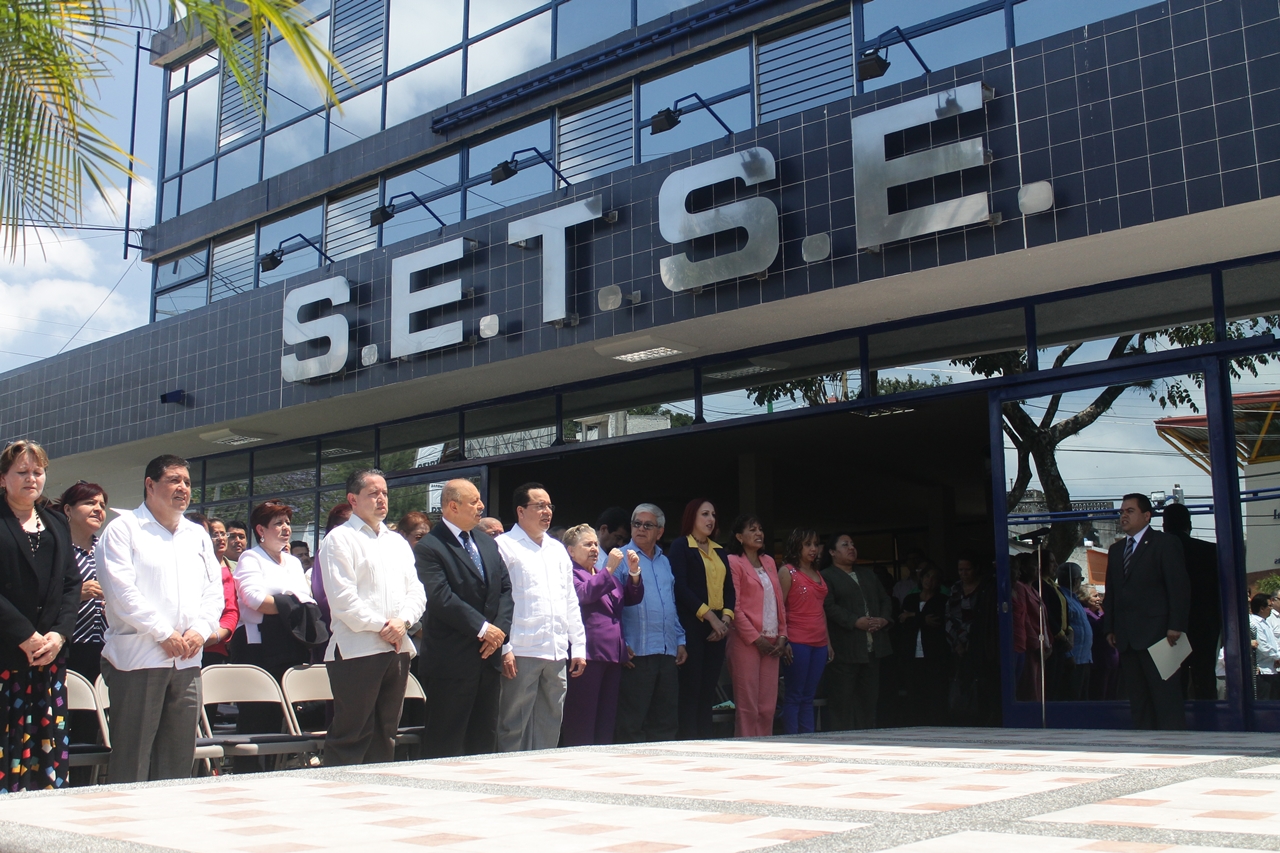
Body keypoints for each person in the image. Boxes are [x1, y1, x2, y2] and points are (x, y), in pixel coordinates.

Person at [97, 454, 224, 783]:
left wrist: (200, 630)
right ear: (150, 485)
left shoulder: (197, 535)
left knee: (178, 758)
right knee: (133, 756)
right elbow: (121, 593)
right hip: (140, 659)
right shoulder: (123, 530)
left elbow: (214, 591)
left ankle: (171, 814)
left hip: (188, 659)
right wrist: (163, 632)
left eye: (187, 482)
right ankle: (125, 813)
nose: (183, 488)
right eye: (174, 480)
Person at [317, 469, 426, 766]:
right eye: (373, 493)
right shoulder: (340, 539)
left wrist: (403, 622)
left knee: (386, 732)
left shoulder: (397, 542)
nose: (382, 499)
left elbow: (416, 591)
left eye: (385, 493)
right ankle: (339, 789)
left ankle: (378, 787)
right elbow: (343, 600)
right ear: (353, 499)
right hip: (358, 649)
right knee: (352, 732)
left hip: (396, 648)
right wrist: (384, 626)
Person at [0, 440, 80, 791]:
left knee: (46, 752)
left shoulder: (56, 521)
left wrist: (59, 635)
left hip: (48, 654)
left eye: (38, 471)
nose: (31, 478)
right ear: (3, 478)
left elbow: (71, 583)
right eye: (22, 472)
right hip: (7, 651)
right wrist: (24, 634)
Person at [415, 479, 513, 757]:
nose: (481, 506)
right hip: (451, 663)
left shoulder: (487, 543)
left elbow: (505, 589)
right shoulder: (430, 547)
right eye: (474, 501)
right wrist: (483, 629)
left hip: (488, 659)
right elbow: (440, 597)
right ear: (453, 506)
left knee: (483, 740)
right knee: (446, 743)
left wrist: (498, 633)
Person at [495, 483, 587, 752]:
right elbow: (497, 600)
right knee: (513, 724)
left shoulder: (557, 549)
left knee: (550, 722)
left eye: (549, 506)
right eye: (540, 506)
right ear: (521, 511)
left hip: (556, 649)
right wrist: (505, 647)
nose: (547, 511)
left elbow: (570, 599)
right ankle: (509, 772)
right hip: (521, 649)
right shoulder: (504, 546)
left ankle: (543, 770)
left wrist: (578, 646)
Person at [232, 500, 322, 760]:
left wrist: (286, 604)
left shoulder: (293, 562)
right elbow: (254, 600)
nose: (286, 528)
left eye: (288, 523)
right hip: (257, 647)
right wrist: (291, 604)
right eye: (278, 523)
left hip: (289, 643)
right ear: (261, 530)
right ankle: (250, 774)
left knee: (286, 717)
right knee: (258, 718)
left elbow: (306, 598)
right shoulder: (251, 557)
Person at [1102, 493, 1190, 730]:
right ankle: (1145, 742)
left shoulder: (1164, 543)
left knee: (1165, 697)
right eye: (1122, 512)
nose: (1124, 516)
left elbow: (1178, 587)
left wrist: (1176, 625)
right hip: (1127, 636)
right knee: (1138, 699)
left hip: (1159, 634)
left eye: (1130, 511)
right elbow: (1112, 591)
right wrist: (1110, 627)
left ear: (1147, 515)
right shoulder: (1117, 549)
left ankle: (1173, 743)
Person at [560, 524, 642, 746]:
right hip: (587, 653)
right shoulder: (570, 573)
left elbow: (629, 598)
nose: (594, 549)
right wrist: (609, 569)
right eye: (587, 544)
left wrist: (634, 572)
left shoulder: (601, 574)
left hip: (613, 654)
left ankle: (602, 758)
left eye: (596, 544)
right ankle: (579, 758)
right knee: (582, 717)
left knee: (606, 718)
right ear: (570, 551)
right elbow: (584, 594)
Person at [614, 503, 687, 743]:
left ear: (660, 531)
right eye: (637, 524)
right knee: (631, 723)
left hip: (666, 651)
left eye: (648, 525)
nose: (641, 529)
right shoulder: (620, 558)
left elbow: (670, 604)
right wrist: (619, 642)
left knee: (665, 722)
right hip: (636, 653)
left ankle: (664, 764)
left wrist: (680, 639)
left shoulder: (664, 562)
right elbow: (610, 606)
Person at [668, 499, 735, 739]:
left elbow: (729, 590)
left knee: (708, 690)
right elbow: (681, 588)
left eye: (713, 515)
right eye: (705, 514)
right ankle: (689, 741)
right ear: (692, 518)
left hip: (718, 627)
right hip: (692, 625)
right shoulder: (680, 546)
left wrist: (724, 620)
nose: (711, 519)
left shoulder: (719, 550)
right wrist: (710, 618)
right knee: (691, 688)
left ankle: (706, 741)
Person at [821, 532, 892, 730]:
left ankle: (867, 737)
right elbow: (828, 606)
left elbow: (885, 599)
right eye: (845, 545)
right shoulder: (826, 576)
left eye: (852, 544)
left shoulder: (868, 575)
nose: (851, 548)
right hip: (845, 648)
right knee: (842, 701)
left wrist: (884, 619)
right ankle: (842, 739)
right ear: (832, 552)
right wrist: (854, 621)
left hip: (872, 648)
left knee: (868, 700)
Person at [725, 515, 786, 738]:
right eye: (752, 530)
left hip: (772, 639)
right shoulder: (733, 561)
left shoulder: (769, 561)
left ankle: (765, 748)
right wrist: (756, 639)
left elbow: (779, 601)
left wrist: (783, 635)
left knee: (768, 707)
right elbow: (734, 606)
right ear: (739, 537)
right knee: (747, 706)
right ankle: (746, 750)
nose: (759, 533)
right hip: (746, 641)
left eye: (760, 529)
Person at [1162, 503, 1220, 700]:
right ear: (1190, 525)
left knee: (1172, 684)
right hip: (1205, 626)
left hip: (1167, 628)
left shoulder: (1156, 553)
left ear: (1164, 526)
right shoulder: (1210, 551)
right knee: (1204, 681)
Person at [777, 528, 829, 734]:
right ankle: (792, 739)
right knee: (794, 695)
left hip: (820, 642)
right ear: (796, 546)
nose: (813, 549)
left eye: (815, 544)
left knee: (809, 696)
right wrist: (784, 640)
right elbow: (779, 608)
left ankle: (809, 739)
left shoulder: (817, 572)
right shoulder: (787, 571)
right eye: (807, 544)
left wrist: (828, 642)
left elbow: (821, 609)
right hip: (797, 640)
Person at [57, 481, 109, 683]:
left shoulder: (107, 550)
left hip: (105, 646)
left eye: (102, 505)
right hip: (66, 644)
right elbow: (38, 595)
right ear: (68, 509)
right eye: (89, 503)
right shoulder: (57, 549)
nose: (98, 509)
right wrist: (76, 594)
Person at [186, 513, 238, 668]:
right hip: (170, 646)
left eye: (223, 534)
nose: (220, 539)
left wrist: (212, 637)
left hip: (211, 650)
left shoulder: (220, 571)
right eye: (215, 534)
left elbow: (230, 611)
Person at [900, 564, 948, 725]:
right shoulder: (910, 599)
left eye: (934, 578)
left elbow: (936, 621)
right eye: (927, 576)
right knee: (914, 693)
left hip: (934, 654)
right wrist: (921, 618)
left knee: (935, 694)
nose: (930, 580)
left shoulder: (942, 600)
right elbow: (903, 622)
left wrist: (912, 616)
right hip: (912, 654)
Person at [312, 502, 353, 633]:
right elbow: (323, 597)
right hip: (338, 628)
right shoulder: (329, 551)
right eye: (352, 525)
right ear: (336, 528)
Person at [1059, 562, 1093, 701]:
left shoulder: (1074, 599)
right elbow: (1063, 627)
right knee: (1071, 699)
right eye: (1081, 579)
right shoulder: (1062, 597)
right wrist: (1068, 654)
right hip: (1073, 659)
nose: (1081, 582)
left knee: (1082, 699)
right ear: (1075, 580)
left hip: (1084, 659)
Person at [1082, 584, 1117, 700]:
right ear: (1085, 598)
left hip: (1110, 662)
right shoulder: (1086, 614)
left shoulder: (1099, 613)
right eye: (1095, 596)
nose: (1098, 599)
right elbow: (1098, 629)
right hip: (1098, 662)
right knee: (1099, 694)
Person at [1250, 594, 1280, 700]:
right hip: (1263, 672)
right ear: (1262, 608)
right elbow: (1263, 647)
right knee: (1264, 702)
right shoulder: (1254, 623)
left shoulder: (1265, 623)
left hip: (1272, 669)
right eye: (1269, 606)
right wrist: (1277, 657)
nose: (1271, 609)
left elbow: (1273, 644)